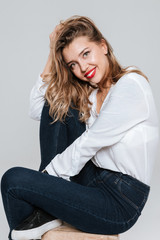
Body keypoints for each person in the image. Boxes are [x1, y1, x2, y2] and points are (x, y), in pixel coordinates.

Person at [1, 15, 159, 240]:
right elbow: (38, 109)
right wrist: (51, 51)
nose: (83, 68)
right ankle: (43, 213)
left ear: (103, 46)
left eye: (86, 54)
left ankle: (41, 211)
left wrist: (44, 181)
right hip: (92, 179)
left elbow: (91, 141)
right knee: (59, 104)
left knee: (12, 181)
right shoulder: (90, 95)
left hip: (120, 200)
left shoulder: (131, 85)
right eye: (72, 64)